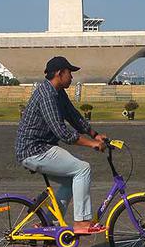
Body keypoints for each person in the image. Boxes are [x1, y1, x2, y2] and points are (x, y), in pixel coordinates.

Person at [14, 56, 110, 235]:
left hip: (43, 147)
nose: (72, 77)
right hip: (34, 150)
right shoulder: (47, 94)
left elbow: (73, 116)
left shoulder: (58, 92)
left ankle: (47, 224)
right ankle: (81, 222)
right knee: (83, 169)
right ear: (59, 73)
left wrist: (95, 134)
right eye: (70, 73)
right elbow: (63, 133)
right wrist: (92, 144)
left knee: (69, 180)